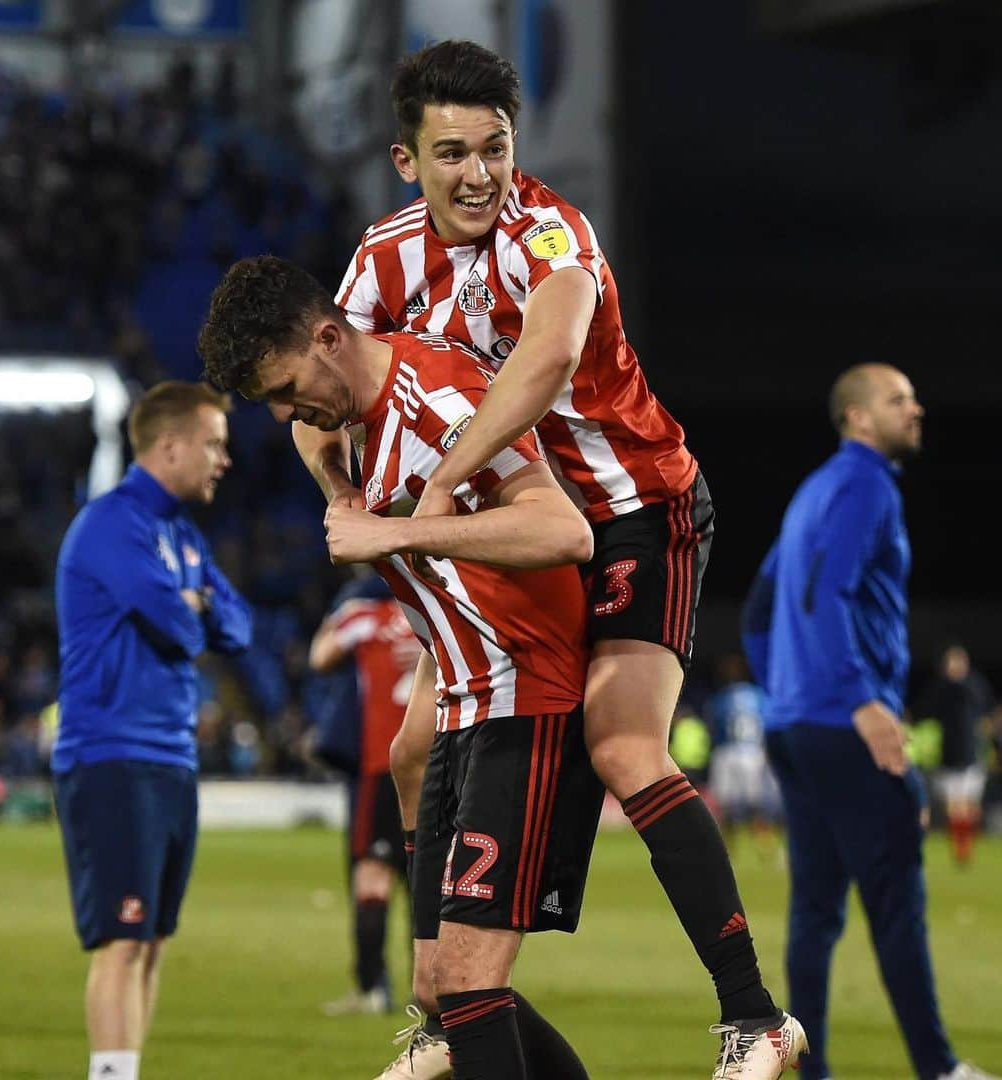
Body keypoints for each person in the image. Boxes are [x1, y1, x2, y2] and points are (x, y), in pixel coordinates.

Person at [289, 39, 802, 1080]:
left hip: (633, 510)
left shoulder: (553, 232)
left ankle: (754, 1017)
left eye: (496, 148)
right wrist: (344, 493)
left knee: (621, 744)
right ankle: (442, 1008)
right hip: (515, 529)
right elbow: (320, 382)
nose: (480, 175)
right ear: (406, 160)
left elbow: (550, 357)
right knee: (411, 752)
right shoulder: (384, 257)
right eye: (453, 154)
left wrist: (431, 493)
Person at [199, 254, 618, 1080]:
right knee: (435, 986)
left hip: (525, 703)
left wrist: (393, 534)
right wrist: (337, 489)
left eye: (286, 387)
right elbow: (311, 430)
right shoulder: (351, 418)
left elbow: (563, 533)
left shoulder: (439, 401)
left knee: (466, 984)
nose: (289, 412)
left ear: (329, 338)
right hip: (460, 717)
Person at [741, 363, 998, 1080]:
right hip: (844, 724)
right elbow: (830, 593)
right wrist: (858, 701)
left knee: (815, 910)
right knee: (897, 905)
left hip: (797, 725)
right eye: (899, 400)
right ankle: (940, 1068)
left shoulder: (812, 491)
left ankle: (812, 1069)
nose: (916, 410)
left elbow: (764, 611)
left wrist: (786, 689)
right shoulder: (867, 485)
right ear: (859, 417)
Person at [52, 380, 253, 1080]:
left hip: (170, 758)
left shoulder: (180, 533)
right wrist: (191, 608)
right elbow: (178, 624)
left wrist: (193, 606)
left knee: (154, 941)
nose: (223, 459)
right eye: (214, 445)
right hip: (112, 755)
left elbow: (237, 624)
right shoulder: (110, 524)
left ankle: (124, 1070)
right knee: (123, 939)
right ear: (170, 447)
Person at [310, 569, 422, 1016]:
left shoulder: (366, 617)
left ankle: (373, 989)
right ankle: (436, 993)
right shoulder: (443, 617)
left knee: (372, 877)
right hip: (441, 764)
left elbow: (320, 656)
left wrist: (340, 608)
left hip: (384, 767)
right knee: (429, 880)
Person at [914, 642, 997, 866]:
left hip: (972, 755)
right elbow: (923, 713)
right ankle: (960, 849)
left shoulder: (976, 685)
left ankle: (966, 846)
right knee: (955, 807)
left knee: (969, 807)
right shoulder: (939, 689)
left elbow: (989, 713)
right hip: (949, 756)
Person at [702, 652, 782, 857]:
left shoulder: (718, 700)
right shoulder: (758, 697)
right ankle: (765, 846)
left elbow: (713, 730)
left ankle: (728, 849)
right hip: (752, 752)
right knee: (757, 803)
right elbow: (768, 723)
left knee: (728, 805)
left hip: (727, 752)